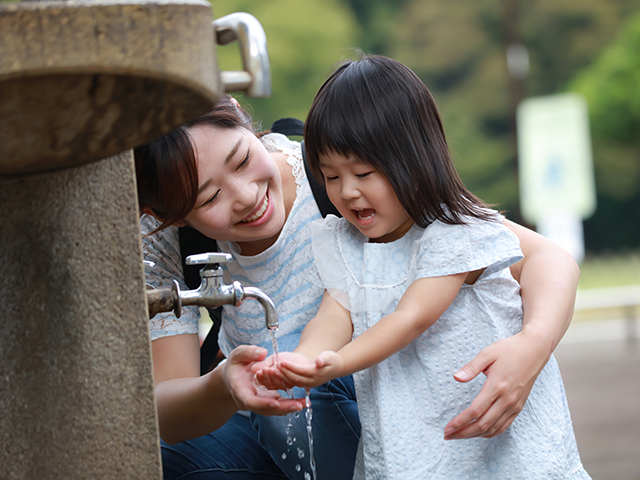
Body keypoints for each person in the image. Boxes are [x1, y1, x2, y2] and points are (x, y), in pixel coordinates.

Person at [135, 90, 580, 479]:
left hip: (386, 398)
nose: (247, 196)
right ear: (165, 214)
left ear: (238, 113)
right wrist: (225, 384)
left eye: (242, 159)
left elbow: (543, 256)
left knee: (303, 373)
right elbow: (167, 411)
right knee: (158, 455)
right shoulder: (166, 242)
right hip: (281, 420)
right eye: (210, 197)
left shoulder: (337, 175)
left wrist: (531, 347)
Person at [253, 55, 590, 479]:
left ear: (414, 159)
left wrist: (337, 365)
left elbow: (412, 316)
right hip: (410, 444)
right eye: (331, 176)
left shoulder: (452, 231)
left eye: (364, 171)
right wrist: (303, 360)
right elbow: (334, 313)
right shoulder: (344, 242)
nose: (348, 191)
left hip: (499, 447)